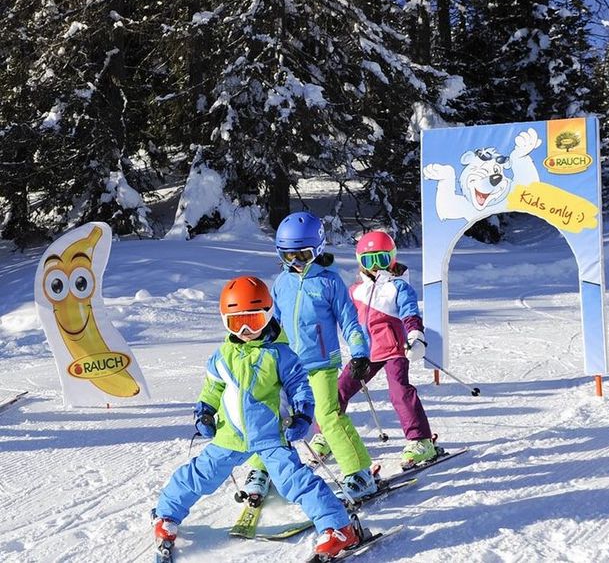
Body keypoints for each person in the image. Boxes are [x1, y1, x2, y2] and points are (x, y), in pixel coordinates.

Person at [152, 276, 359, 560]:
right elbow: (213, 388)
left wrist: (302, 415)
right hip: (230, 435)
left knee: (294, 481)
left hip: (271, 435)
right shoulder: (223, 355)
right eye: (237, 323)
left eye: (254, 320)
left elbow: (300, 386)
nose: (247, 329)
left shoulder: (280, 354)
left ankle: (337, 527)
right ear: (226, 322)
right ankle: (166, 514)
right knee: (200, 474)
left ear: (268, 315)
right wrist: (205, 411)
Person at [258, 211, 377, 502]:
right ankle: (261, 469)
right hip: (289, 366)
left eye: (303, 255)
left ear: (318, 250)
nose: (296, 263)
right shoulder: (281, 283)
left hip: (322, 364)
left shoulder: (329, 282)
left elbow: (350, 322)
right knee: (272, 415)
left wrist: (360, 353)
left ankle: (359, 472)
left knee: (328, 417)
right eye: (288, 257)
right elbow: (278, 323)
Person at [311, 231, 438, 468]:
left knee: (400, 391)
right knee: (338, 389)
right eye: (369, 261)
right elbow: (341, 315)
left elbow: (410, 313)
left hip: (394, 349)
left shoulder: (398, 287)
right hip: (365, 353)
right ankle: (326, 433)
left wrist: (415, 335)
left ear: (392, 258)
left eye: (381, 259)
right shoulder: (355, 290)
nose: (376, 267)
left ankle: (421, 440)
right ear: (360, 262)